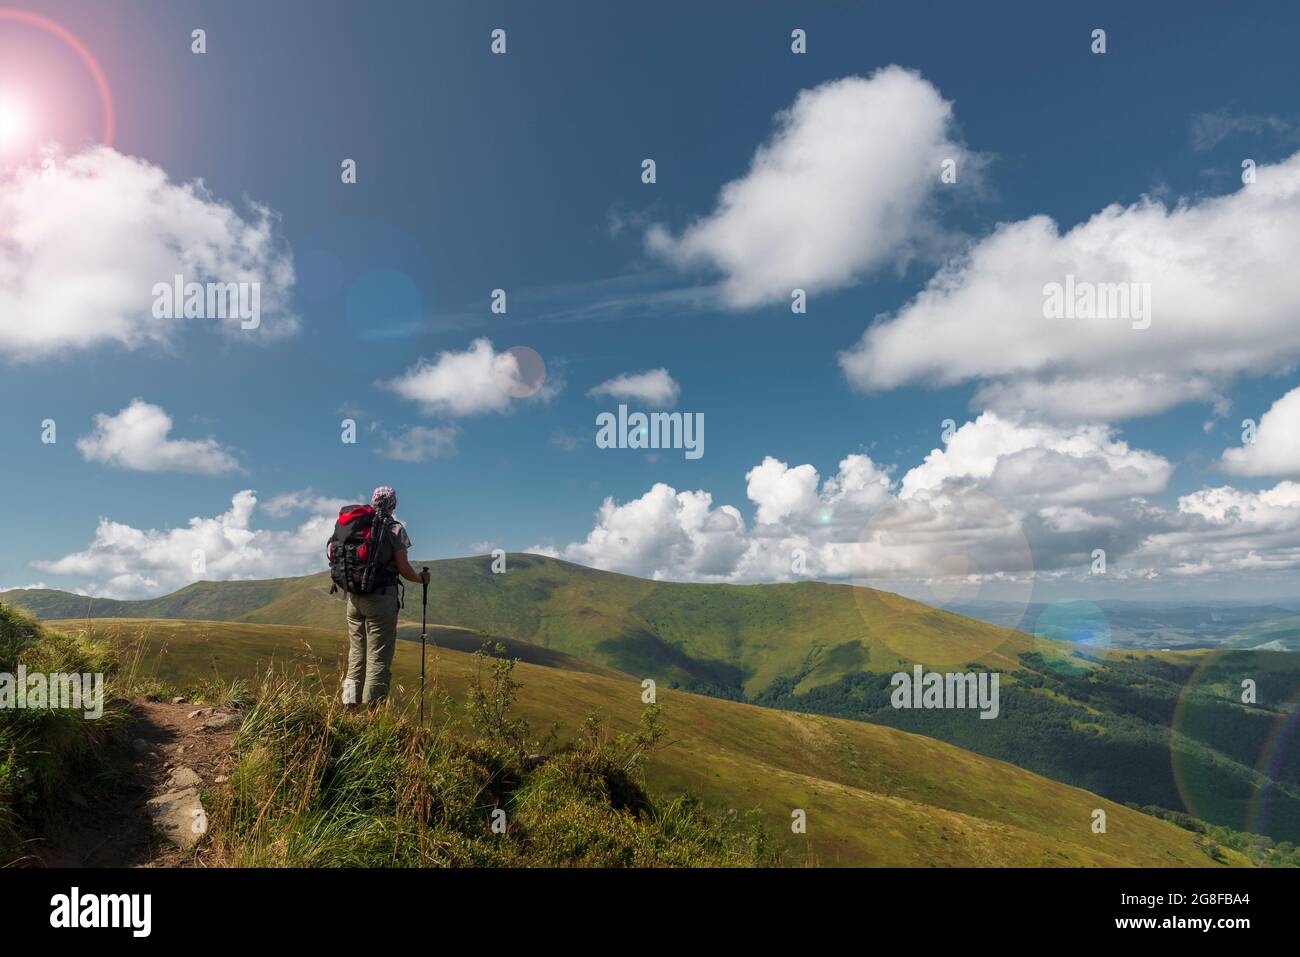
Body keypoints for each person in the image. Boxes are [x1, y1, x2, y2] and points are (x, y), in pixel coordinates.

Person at [343, 485, 429, 712]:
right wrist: (421, 579)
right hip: (380, 599)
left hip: (354, 598)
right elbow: (404, 569)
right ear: (394, 504)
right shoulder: (394, 529)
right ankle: (373, 714)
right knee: (378, 657)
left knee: (356, 656)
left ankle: (349, 709)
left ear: (372, 502)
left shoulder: (356, 526)